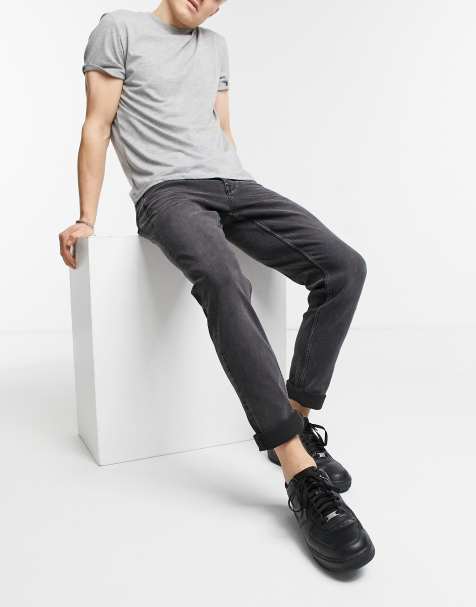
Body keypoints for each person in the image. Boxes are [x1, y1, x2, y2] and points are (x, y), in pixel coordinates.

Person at [59, 0, 375, 571]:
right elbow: (97, 124)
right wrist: (86, 217)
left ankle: (298, 416)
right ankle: (297, 468)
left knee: (344, 268)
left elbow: (222, 130)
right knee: (225, 280)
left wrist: (245, 201)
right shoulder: (119, 29)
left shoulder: (217, 47)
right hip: (167, 193)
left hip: (235, 186)